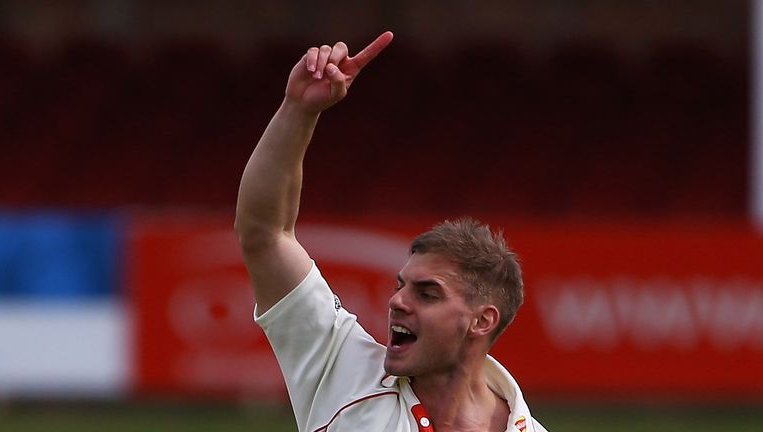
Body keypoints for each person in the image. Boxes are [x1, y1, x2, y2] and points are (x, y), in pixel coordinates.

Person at [235, 31, 548, 432]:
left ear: (481, 321)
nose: (397, 301)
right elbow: (265, 233)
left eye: (427, 293)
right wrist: (298, 110)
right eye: (402, 286)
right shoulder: (342, 369)